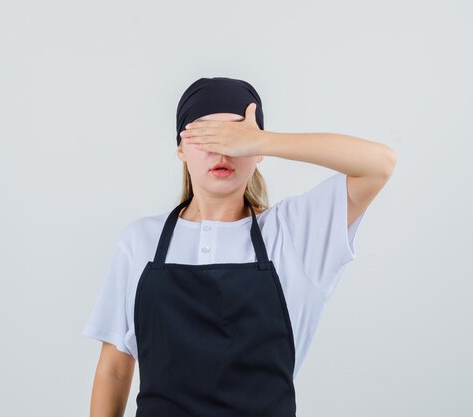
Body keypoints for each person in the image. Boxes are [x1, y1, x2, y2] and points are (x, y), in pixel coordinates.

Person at [82, 77, 396, 417]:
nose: (223, 150)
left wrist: (263, 139)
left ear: (257, 150)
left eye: (237, 136)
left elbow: (379, 165)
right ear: (180, 148)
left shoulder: (293, 233)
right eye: (206, 135)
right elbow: (114, 370)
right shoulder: (141, 241)